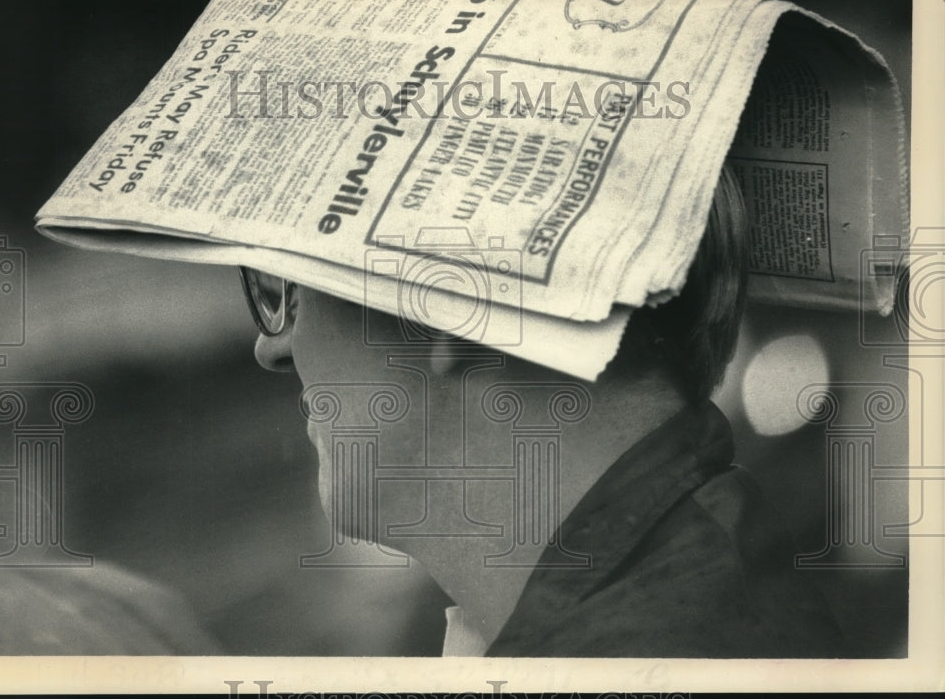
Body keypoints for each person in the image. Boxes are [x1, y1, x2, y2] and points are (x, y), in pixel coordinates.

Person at [244, 163, 848, 658]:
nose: (271, 347)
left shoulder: (643, 647)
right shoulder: (672, 597)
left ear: (450, 296)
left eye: (287, 287)